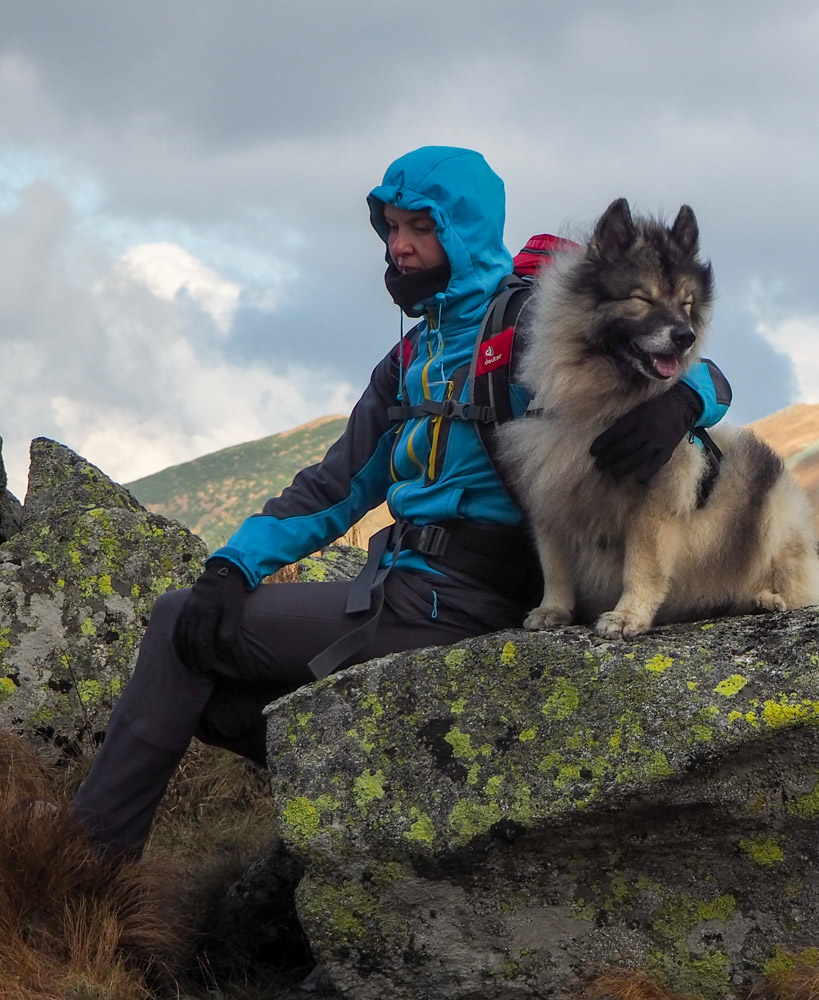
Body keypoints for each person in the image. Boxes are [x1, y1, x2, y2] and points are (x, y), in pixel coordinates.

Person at [70, 146, 731, 862]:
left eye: (420, 226)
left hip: (475, 597)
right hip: (397, 593)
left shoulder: (532, 325)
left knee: (174, 629)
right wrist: (232, 568)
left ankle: (82, 864)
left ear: (465, 229)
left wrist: (685, 404)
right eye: (390, 228)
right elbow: (335, 487)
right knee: (210, 672)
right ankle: (364, 799)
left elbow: (702, 370)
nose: (400, 246)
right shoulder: (413, 357)